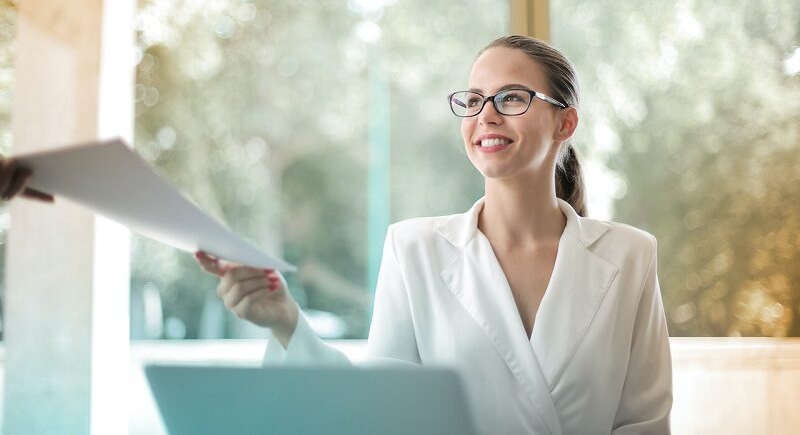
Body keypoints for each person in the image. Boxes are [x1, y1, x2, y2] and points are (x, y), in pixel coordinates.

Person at [195, 35, 673, 434]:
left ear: (565, 122)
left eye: (511, 97)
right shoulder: (413, 250)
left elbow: (644, 423)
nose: (486, 114)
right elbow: (378, 412)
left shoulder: (629, 255)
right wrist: (285, 321)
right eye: (472, 100)